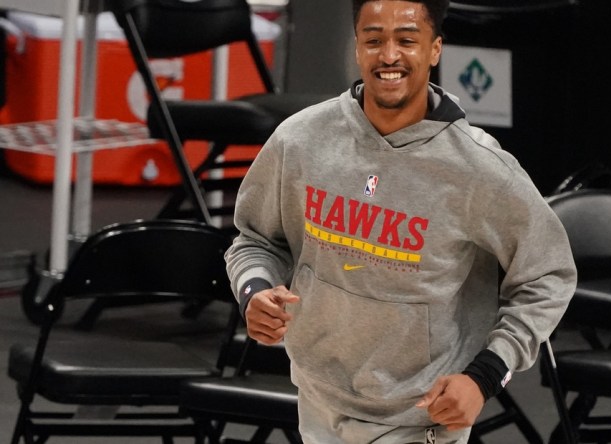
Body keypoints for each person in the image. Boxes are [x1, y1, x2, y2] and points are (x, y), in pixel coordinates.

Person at [225, 0, 577, 442]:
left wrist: (487, 376)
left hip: (421, 417)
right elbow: (256, 238)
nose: (389, 55)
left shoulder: (480, 168)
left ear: (435, 50)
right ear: (357, 49)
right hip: (317, 398)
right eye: (374, 40)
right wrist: (254, 290)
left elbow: (549, 276)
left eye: (407, 40)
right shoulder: (300, 140)